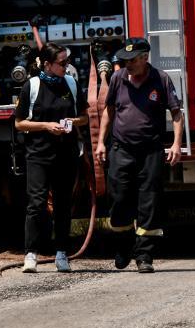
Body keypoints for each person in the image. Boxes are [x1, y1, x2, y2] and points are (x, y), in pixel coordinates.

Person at [94, 37, 183, 273]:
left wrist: (176, 144)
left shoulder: (161, 79)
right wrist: (101, 143)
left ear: (145, 58)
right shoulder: (117, 78)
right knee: (119, 199)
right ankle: (124, 247)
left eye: (132, 60)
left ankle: (144, 256)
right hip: (121, 149)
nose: (127, 65)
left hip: (150, 151)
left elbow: (176, 113)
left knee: (148, 203)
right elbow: (109, 111)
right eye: (124, 60)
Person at [14, 43, 88, 273]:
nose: (67, 66)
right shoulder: (32, 86)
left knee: (63, 205)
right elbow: (19, 123)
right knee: (36, 203)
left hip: (65, 155)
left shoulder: (72, 84)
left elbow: (84, 117)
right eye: (62, 63)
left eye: (67, 62)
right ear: (47, 64)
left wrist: (72, 122)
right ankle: (31, 254)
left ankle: (62, 253)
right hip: (38, 155)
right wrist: (46, 126)